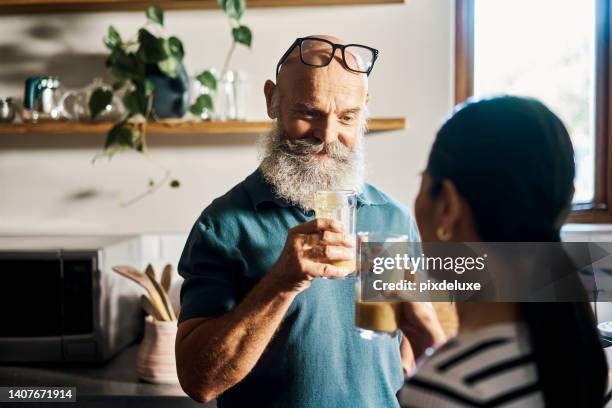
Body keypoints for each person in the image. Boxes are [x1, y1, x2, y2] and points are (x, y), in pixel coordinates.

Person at [175, 35, 423, 408]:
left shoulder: (395, 218)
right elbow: (198, 381)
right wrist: (280, 283)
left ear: (364, 111)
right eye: (309, 113)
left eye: (347, 117)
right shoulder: (223, 227)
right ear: (272, 100)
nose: (327, 135)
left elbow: (406, 350)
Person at [397, 96, 608, 407]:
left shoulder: (443, 389)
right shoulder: (588, 363)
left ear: (448, 207)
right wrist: (429, 342)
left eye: (422, 181)